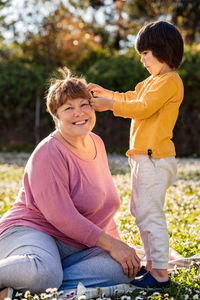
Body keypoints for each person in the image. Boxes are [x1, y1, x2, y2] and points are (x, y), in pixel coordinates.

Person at [0, 67, 141, 299]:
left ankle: (23, 288)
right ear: (56, 115)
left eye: (84, 104)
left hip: (74, 245)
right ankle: (39, 276)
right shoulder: (48, 152)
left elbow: (104, 207)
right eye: (68, 108)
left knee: (122, 269)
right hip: (31, 232)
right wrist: (112, 246)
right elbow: (61, 216)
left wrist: (119, 246)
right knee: (43, 272)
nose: (79, 113)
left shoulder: (96, 143)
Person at [88, 21, 184, 288]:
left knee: (150, 213)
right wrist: (108, 94)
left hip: (155, 160)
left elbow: (142, 107)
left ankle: (161, 273)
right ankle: (153, 265)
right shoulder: (153, 81)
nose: (142, 60)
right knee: (140, 211)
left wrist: (110, 106)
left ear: (163, 50)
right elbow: (132, 97)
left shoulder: (170, 81)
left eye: (145, 53)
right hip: (143, 158)